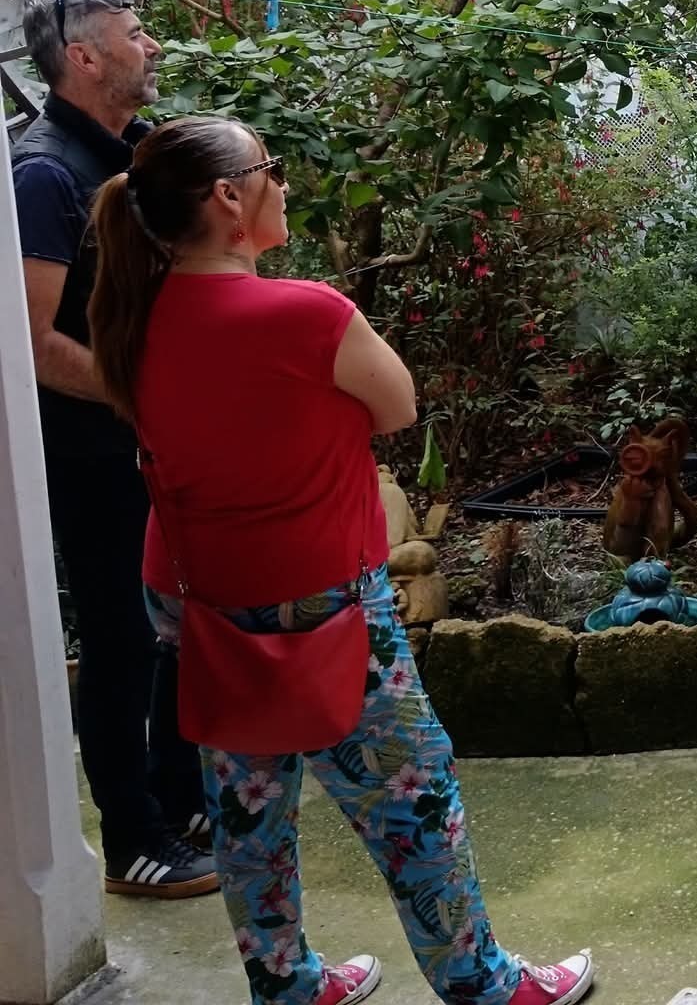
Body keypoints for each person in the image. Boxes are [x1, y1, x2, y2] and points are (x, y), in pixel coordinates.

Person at [89, 115, 595, 1005]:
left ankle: (286, 984)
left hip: (200, 600)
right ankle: (481, 985)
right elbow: (396, 407)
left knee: (249, 810)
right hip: (319, 599)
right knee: (416, 794)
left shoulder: (131, 316)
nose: (283, 183)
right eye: (271, 169)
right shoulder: (307, 314)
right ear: (229, 198)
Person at [9, 0, 213, 899]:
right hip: (91, 453)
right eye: (135, 33)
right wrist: (148, 398)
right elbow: (33, 343)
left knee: (176, 624)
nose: (153, 45)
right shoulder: (45, 175)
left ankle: (180, 801)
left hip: (153, 440)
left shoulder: (138, 154)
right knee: (121, 636)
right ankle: (132, 839)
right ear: (85, 58)